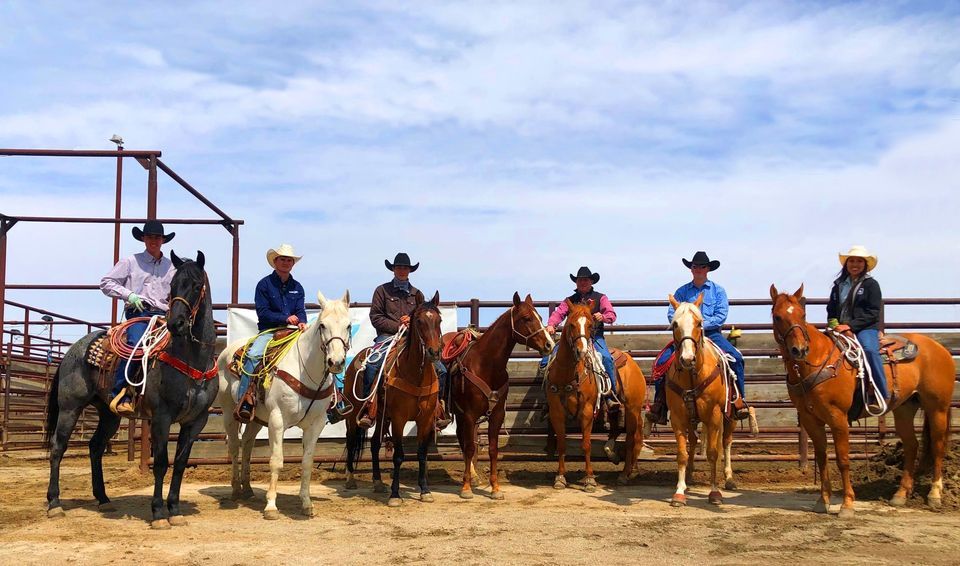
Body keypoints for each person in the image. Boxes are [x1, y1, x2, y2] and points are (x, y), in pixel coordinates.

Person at [646, 251, 749, 426]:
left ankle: (739, 401)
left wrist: (700, 325)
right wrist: (687, 326)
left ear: (708, 269)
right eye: (695, 266)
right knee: (661, 363)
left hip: (712, 334)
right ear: (691, 269)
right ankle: (660, 404)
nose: (698, 269)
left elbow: (721, 315)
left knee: (736, 358)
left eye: (702, 266)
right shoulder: (682, 291)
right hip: (685, 336)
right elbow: (672, 314)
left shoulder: (718, 291)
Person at [357, 253, 449, 429]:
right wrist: (398, 323)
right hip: (387, 336)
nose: (402, 270)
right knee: (372, 365)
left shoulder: (417, 294)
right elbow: (375, 317)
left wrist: (412, 322)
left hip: (412, 339)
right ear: (393, 269)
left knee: (441, 370)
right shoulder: (381, 291)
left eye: (405, 268)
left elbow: (424, 320)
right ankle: (369, 407)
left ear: (409, 271)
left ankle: (437, 409)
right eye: (399, 267)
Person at [100, 220, 177, 416]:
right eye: (150, 237)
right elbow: (106, 283)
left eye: (157, 237)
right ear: (143, 239)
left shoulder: (172, 267)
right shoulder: (130, 262)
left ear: (163, 240)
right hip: (139, 313)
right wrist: (129, 295)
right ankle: (121, 393)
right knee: (136, 344)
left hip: (162, 315)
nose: (154, 241)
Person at [236, 244, 307, 421]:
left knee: (320, 350)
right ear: (275, 262)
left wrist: (303, 321)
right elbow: (263, 312)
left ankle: (333, 400)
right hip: (269, 331)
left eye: (289, 260)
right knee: (253, 356)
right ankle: (244, 400)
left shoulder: (298, 287)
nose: (285, 262)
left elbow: (300, 310)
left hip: (292, 332)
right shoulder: (264, 285)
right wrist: (285, 318)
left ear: (293, 264)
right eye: (282, 259)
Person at [538, 266, 619, 402]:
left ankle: (611, 395)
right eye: (580, 280)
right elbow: (558, 313)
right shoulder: (569, 300)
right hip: (571, 339)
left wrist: (603, 317)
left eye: (586, 280)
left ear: (591, 282)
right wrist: (551, 324)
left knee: (606, 358)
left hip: (594, 337)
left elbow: (611, 314)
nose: (583, 282)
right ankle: (549, 398)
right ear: (576, 282)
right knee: (548, 360)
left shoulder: (601, 298)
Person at [827, 245, 885, 412]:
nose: (855, 264)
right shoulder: (837, 286)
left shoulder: (871, 285)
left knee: (869, 350)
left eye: (859, 261)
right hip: (840, 328)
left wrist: (850, 326)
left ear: (865, 265)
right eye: (852, 261)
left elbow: (873, 312)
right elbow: (831, 310)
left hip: (865, 328)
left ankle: (878, 391)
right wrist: (835, 325)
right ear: (846, 264)